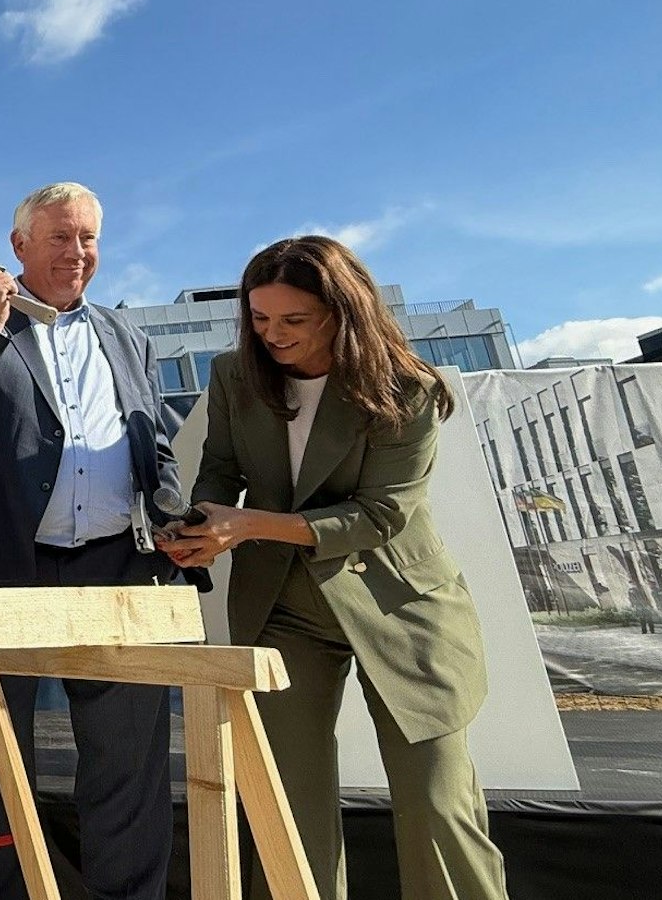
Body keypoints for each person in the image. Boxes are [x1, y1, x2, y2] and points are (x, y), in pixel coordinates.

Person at [158, 235, 509, 900]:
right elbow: (222, 469)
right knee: (287, 812)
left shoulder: (407, 388)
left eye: (294, 320)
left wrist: (251, 526)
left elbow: (379, 516)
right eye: (260, 320)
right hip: (284, 610)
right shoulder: (236, 373)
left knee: (438, 808)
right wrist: (200, 525)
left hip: (401, 610)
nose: (273, 336)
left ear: (343, 313)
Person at [0, 181, 186, 900]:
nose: (77, 253)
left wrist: (173, 516)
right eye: (61, 237)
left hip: (117, 567)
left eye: (88, 238)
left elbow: (152, 443)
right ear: (20, 246)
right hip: (4, 566)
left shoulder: (128, 335)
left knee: (129, 761)